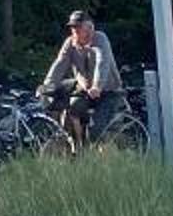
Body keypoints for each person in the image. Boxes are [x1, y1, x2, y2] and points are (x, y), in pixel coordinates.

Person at [37, 10, 121, 147]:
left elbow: (102, 63)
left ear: (89, 27)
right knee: (72, 107)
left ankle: (101, 147)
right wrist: (47, 85)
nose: (75, 30)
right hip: (85, 88)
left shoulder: (100, 39)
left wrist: (97, 86)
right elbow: (60, 64)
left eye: (78, 27)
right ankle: (75, 146)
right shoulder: (71, 43)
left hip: (108, 90)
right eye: (73, 27)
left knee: (95, 131)